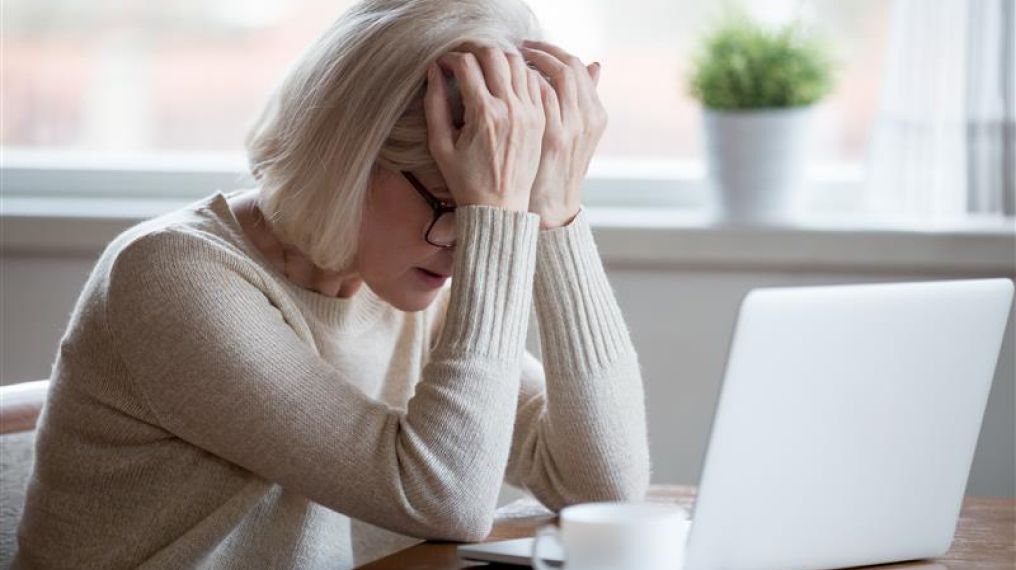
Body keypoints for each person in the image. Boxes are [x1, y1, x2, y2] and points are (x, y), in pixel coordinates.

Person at [13, 0, 650, 568]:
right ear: (351, 159)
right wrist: (498, 224)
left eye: (494, 213)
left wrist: (558, 215)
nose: (470, 248)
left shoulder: (396, 277)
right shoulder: (172, 277)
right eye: (458, 206)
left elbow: (601, 488)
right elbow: (445, 499)